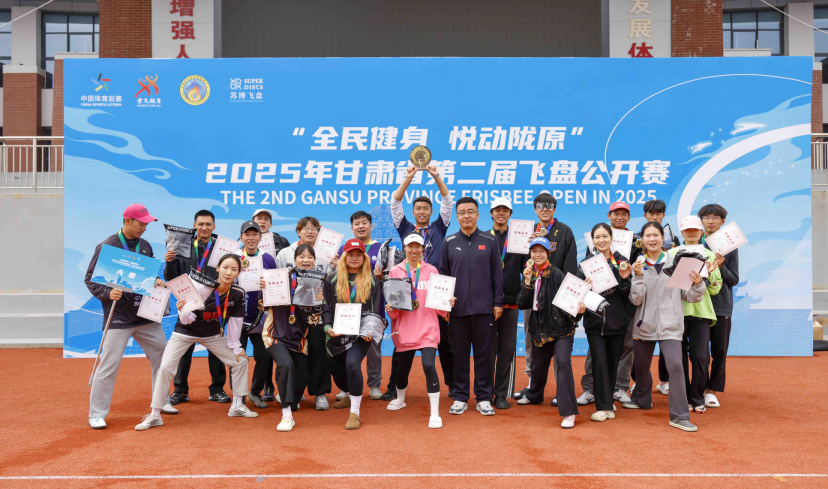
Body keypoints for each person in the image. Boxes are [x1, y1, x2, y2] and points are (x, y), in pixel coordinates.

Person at [136, 254, 259, 431]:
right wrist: (183, 310)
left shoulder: (238, 293)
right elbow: (187, 320)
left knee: (240, 361)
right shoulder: (202, 288)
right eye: (225, 267)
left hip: (213, 335)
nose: (228, 272)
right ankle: (155, 414)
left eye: (234, 269)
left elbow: (235, 322)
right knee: (165, 368)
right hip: (185, 333)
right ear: (218, 268)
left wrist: (236, 347)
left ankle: (237, 406)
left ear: (238, 273)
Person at [86, 204, 172, 429]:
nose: (144, 228)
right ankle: (96, 414)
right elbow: (91, 279)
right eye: (141, 223)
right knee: (109, 365)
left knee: (162, 358)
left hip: (146, 315)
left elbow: (147, 277)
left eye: (146, 224)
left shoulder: (145, 246)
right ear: (127, 221)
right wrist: (107, 293)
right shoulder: (108, 245)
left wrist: (156, 282)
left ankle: (162, 401)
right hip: (119, 317)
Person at [623, 222, 705, 433]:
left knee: (676, 366)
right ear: (642, 239)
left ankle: (679, 415)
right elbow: (636, 300)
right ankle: (641, 399)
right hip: (644, 325)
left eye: (655, 235)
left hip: (671, 325)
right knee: (641, 367)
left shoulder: (676, 263)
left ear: (663, 238)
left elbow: (690, 296)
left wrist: (698, 284)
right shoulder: (638, 265)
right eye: (647, 235)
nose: (652, 239)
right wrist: (638, 276)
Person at [389, 164, 455, 401]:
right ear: (413, 211)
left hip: (433, 291)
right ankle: (393, 388)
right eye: (418, 208)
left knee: (445, 342)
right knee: (401, 346)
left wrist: (436, 176)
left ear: (431, 211)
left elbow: (448, 202)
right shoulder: (405, 228)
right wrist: (408, 178)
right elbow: (395, 204)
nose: (422, 211)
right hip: (407, 289)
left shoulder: (439, 227)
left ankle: (453, 385)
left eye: (426, 208)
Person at [439, 197, 503, 416]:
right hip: (457, 311)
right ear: (457, 216)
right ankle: (460, 397)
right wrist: (444, 305)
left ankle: (484, 398)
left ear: (478, 214)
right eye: (462, 212)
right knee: (459, 355)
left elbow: (497, 275)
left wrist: (497, 302)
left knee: (485, 355)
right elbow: (443, 276)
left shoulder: (490, 240)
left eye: (470, 211)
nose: (466, 216)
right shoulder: (448, 242)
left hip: (485, 309)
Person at [385, 232, 456, 428]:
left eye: (418, 247)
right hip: (405, 329)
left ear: (423, 249)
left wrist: (447, 303)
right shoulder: (396, 271)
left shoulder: (431, 270)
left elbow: (440, 308)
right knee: (402, 369)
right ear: (404, 248)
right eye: (410, 247)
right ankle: (400, 399)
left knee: (429, 365)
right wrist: (391, 309)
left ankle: (435, 413)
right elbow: (394, 310)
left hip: (427, 328)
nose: (414, 250)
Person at [515, 237, 585, 429]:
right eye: (534, 251)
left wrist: (577, 313)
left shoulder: (556, 275)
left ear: (548, 254)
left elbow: (568, 304)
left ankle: (569, 412)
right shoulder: (529, 273)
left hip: (561, 330)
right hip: (539, 331)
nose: (537, 254)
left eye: (541, 251)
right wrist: (527, 282)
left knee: (563, 363)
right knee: (537, 367)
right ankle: (534, 395)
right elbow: (522, 303)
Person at [163, 209, 229, 405]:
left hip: (214, 304)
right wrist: (169, 262)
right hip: (188, 304)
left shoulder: (222, 248)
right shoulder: (182, 245)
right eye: (200, 224)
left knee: (216, 350)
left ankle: (217, 389)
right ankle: (180, 390)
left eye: (208, 224)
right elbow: (172, 277)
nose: (204, 227)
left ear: (214, 226)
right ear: (194, 225)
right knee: (184, 350)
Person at [517, 192, 577, 401]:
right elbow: (521, 263)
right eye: (541, 205)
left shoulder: (564, 231)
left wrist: (567, 297)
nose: (545, 208)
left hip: (558, 296)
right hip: (533, 293)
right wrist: (527, 245)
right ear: (535, 209)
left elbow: (571, 266)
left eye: (549, 205)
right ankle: (532, 385)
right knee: (532, 337)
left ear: (554, 208)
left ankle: (561, 391)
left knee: (560, 346)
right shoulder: (527, 232)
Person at [260, 244, 325, 432]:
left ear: (314, 261)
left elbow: (314, 321)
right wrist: (264, 289)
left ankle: (287, 396)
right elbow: (262, 305)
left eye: (310, 257)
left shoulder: (318, 283)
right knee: (285, 364)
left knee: (303, 376)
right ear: (294, 260)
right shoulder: (280, 279)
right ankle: (287, 415)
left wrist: (319, 304)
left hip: (298, 339)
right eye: (301, 256)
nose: (306, 260)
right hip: (275, 334)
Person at [578, 201, 636, 407]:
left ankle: (609, 398)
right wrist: (584, 287)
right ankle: (602, 404)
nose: (601, 240)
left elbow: (626, 293)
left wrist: (624, 279)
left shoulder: (621, 261)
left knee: (613, 363)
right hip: (595, 322)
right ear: (592, 240)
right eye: (597, 237)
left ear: (612, 239)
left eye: (605, 236)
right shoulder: (586, 264)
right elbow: (579, 292)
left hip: (617, 321)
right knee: (599, 362)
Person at [273, 216, 334, 411]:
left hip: (315, 317)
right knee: (295, 355)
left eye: (314, 228)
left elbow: (330, 286)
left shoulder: (327, 255)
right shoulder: (284, 254)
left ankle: (320, 393)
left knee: (318, 353)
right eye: (305, 228)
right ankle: (295, 392)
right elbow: (276, 281)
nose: (310, 231)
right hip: (291, 317)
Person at [322, 239, 383, 430]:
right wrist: (327, 327)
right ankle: (349, 394)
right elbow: (325, 308)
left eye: (358, 255)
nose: (354, 258)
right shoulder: (331, 279)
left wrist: (369, 332)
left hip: (360, 335)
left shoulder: (372, 281)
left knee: (353, 364)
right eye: (350, 254)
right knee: (338, 374)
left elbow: (375, 311)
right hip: (336, 334)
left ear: (364, 258)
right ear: (344, 257)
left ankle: (355, 412)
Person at [669, 216, 721, 414]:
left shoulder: (710, 255)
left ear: (701, 232)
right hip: (676, 312)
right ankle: (683, 397)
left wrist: (710, 275)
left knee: (700, 357)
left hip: (701, 312)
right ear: (681, 233)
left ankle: (697, 397)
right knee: (679, 358)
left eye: (695, 230)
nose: (691, 232)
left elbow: (715, 289)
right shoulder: (670, 254)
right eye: (687, 230)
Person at [335, 211, 385, 401]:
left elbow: (389, 276)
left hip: (372, 308)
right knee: (346, 348)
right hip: (346, 310)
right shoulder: (343, 249)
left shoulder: (381, 248)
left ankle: (374, 384)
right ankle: (346, 387)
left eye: (364, 223)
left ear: (371, 226)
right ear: (352, 228)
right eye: (357, 224)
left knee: (373, 348)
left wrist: (381, 278)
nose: (361, 226)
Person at [699, 204, 739, 408]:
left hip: (721, 305)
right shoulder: (693, 243)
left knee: (719, 351)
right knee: (699, 352)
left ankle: (712, 390)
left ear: (723, 221)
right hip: (697, 305)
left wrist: (721, 267)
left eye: (715, 217)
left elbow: (734, 279)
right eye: (706, 217)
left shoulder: (729, 247)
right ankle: (698, 387)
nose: (710, 221)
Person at [233, 220, 277, 409]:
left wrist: (267, 295)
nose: (251, 238)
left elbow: (276, 285)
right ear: (241, 237)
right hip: (237, 319)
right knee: (238, 359)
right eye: (247, 234)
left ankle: (255, 392)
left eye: (254, 234)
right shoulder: (233, 258)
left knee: (264, 357)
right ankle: (238, 397)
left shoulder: (268, 259)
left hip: (260, 319)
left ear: (260, 237)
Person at [486, 197, 524, 409]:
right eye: (497, 209)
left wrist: (535, 244)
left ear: (510, 214)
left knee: (507, 351)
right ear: (491, 213)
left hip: (511, 303)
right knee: (487, 350)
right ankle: (486, 392)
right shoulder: (483, 237)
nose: (501, 213)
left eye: (505, 210)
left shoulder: (519, 239)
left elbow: (528, 267)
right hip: (487, 304)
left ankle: (501, 394)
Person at [251, 208, 292, 402]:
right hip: (252, 302)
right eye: (259, 218)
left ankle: (282, 386)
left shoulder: (281, 241)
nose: (262, 221)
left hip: (275, 301)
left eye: (266, 219)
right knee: (264, 349)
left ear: (271, 223)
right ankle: (267, 385)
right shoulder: (243, 245)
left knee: (276, 346)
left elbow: (287, 269)